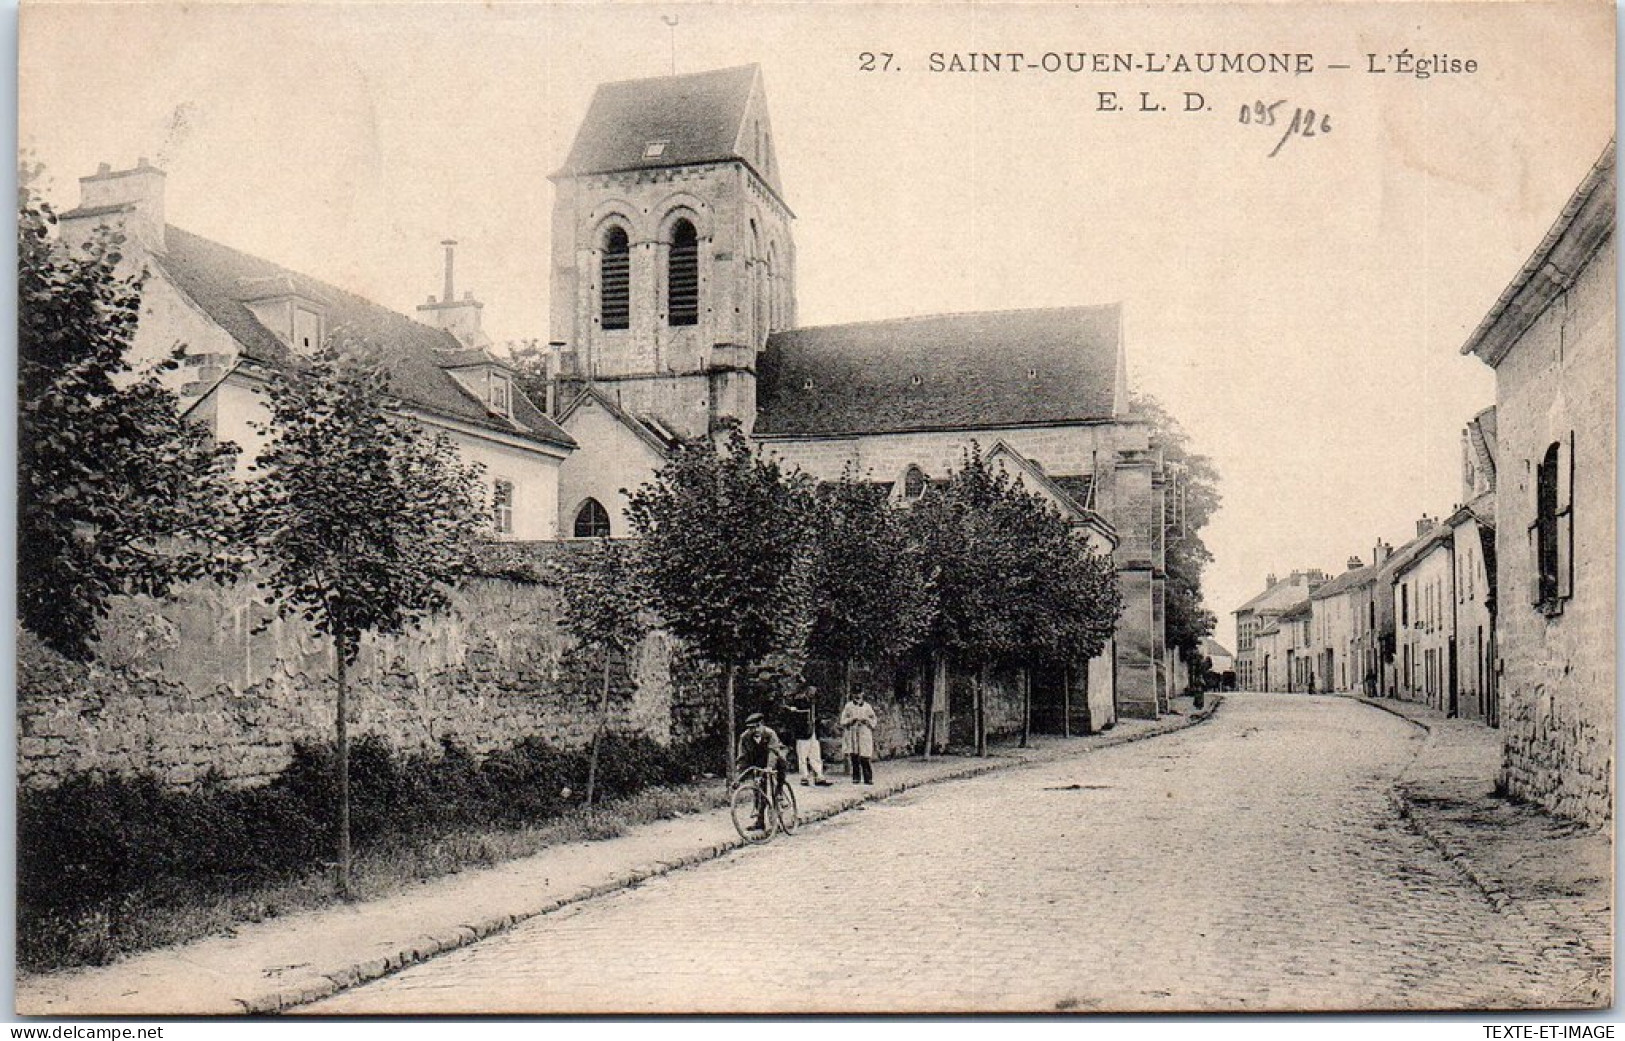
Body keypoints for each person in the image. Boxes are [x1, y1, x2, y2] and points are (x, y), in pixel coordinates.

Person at [735, 711, 789, 828]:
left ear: (762, 724)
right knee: (759, 790)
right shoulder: (744, 737)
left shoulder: (770, 734)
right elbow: (742, 757)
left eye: (757, 727)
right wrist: (740, 777)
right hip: (759, 761)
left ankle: (779, 791)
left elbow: (773, 751)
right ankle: (760, 822)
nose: (754, 730)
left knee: (781, 765)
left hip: (775, 757)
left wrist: (770, 767)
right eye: (751, 728)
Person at [784, 684, 833, 787]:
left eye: (814, 692)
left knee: (815, 755)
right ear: (807, 690)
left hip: (813, 732)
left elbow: (816, 716)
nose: (813, 693)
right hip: (802, 733)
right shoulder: (799, 701)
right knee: (803, 756)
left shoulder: (815, 702)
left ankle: (819, 776)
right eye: (811, 691)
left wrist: (819, 722)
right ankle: (804, 777)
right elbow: (791, 715)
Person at [839, 690, 877, 785]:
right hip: (853, 732)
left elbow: (873, 719)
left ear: (862, 694)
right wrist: (851, 720)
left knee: (865, 756)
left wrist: (867, 721)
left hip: (864, 732)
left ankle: (868, 778)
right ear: (852, 695)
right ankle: (856, 777)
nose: (857, 696)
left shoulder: (867, 706)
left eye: (859, 693)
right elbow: (843, 720)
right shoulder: (848, 706)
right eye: (855, 694)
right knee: (854, 756)